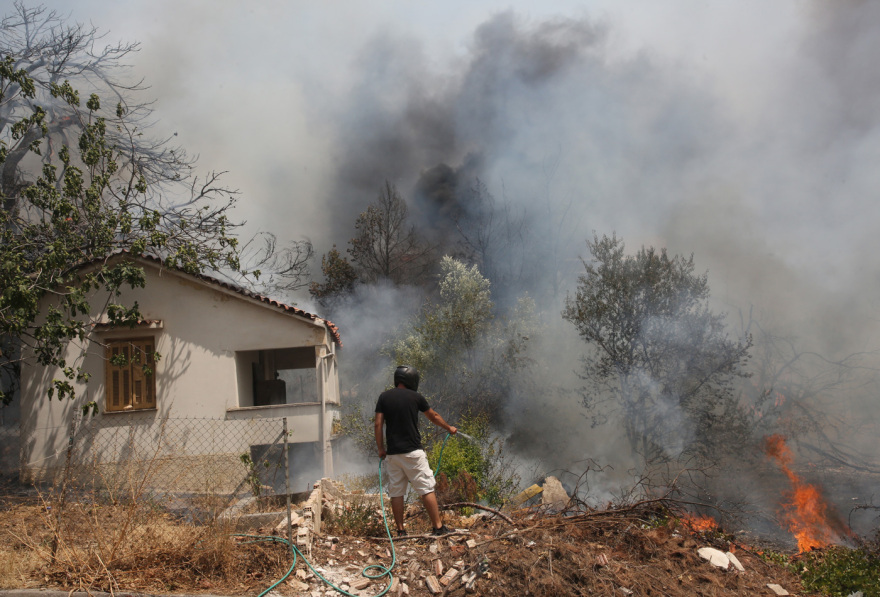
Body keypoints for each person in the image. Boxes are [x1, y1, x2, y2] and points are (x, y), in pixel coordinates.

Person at [375, 365, 457, 537]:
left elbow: (378, 424)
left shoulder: (384, 397)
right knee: (426, 488)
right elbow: (433, 416)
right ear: (412, 380)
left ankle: (401, 531)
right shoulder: (416, 397)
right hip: (413, 452)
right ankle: (438, 528)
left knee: (396, 492)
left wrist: (381, 449)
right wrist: (449, 428)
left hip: (393, 455)